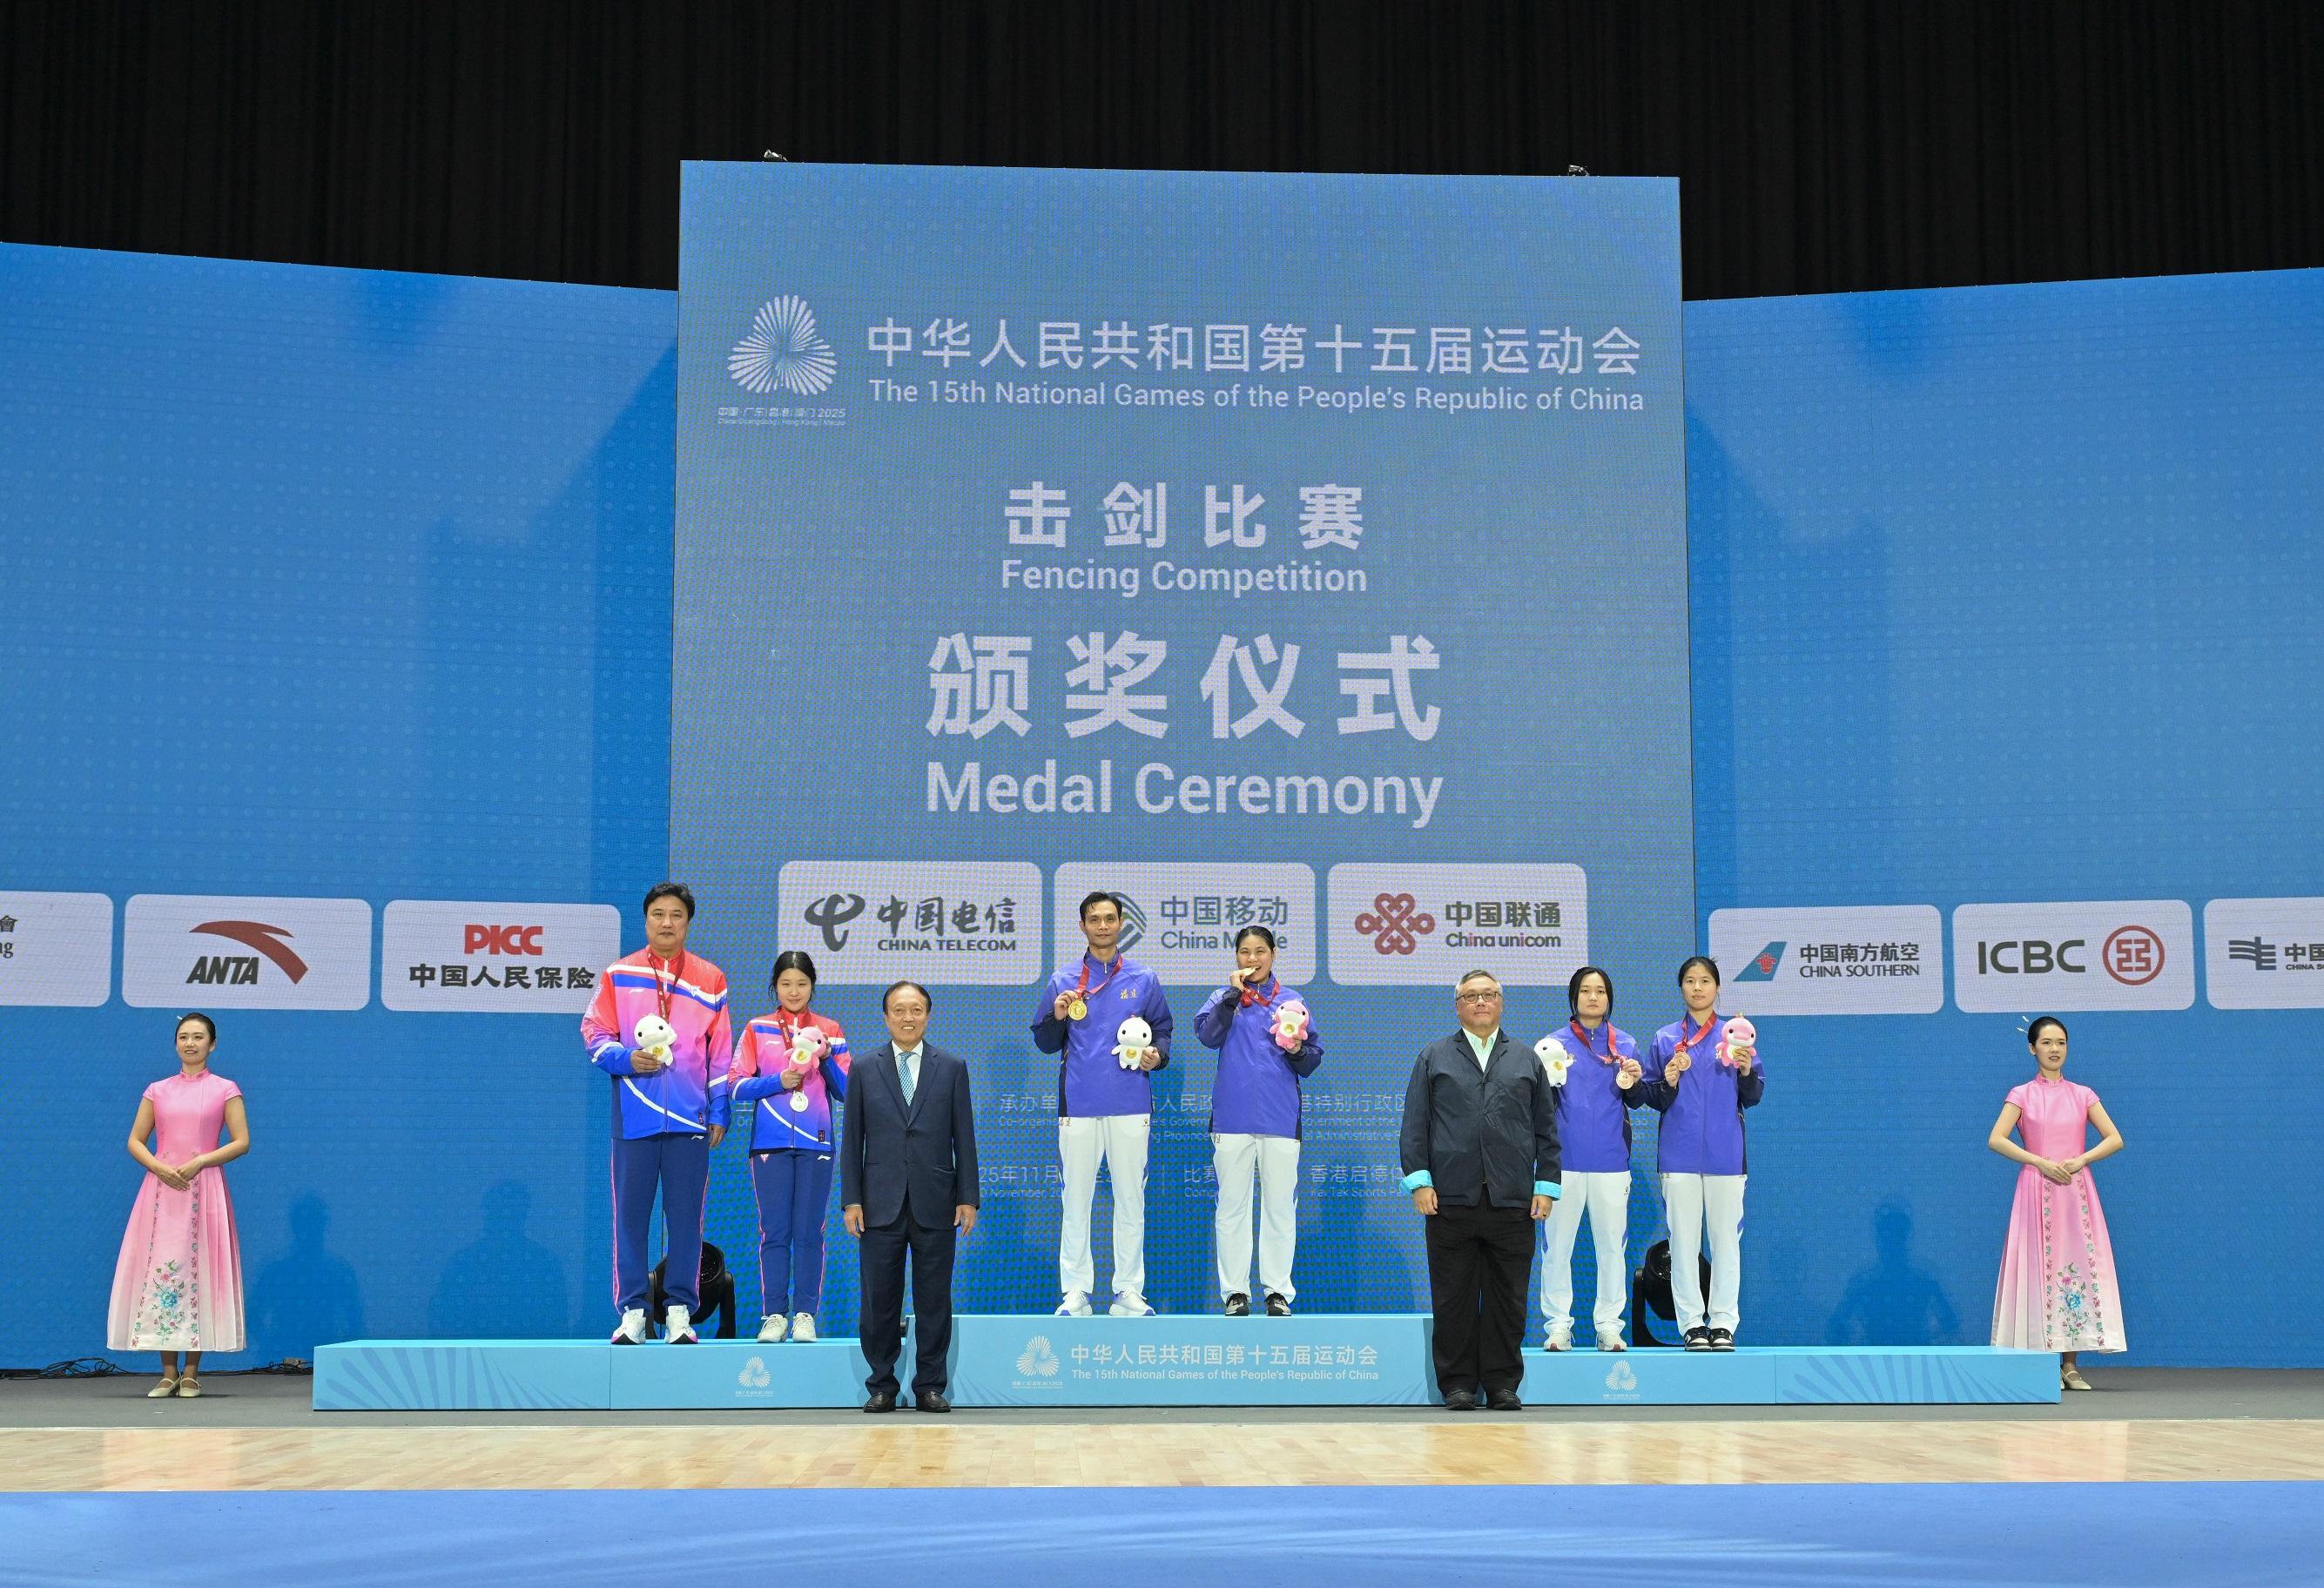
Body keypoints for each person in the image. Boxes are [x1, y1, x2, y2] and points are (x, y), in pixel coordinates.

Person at [1398, 970, 1560, 1411]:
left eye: (1489, 994)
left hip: (1513, 1199)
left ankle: (1503, 1382)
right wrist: (1419, 1181)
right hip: (1450, 1198)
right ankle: (1458, 1384)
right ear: (1458, 1006)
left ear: (1501, 1002)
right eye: (1471, 996)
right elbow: (1415, 1125)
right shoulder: (1434, 1057)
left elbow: (1547, 1130)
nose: (1481, 1002)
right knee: (1453, 1298)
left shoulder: (1526, 1059)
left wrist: (1545, 1185)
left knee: (1509, 1298)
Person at [580, 882, 731, 1345]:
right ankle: (633, 1313)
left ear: (688, 921)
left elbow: (721, 1050)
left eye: (677, 915)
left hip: (690, 1120)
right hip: (635, 1117)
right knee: (630, 1218)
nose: (667, 923)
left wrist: (719, 1109)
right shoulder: (619, 974)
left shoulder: (711, 979)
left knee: (686, 1219)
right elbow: (593, 1031)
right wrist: (626, 1059)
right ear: (646, 920)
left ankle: (681, 1311)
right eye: (658, 914)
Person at [1030, 891, 1173, 1317]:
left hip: (1131, 1102)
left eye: (1110, 918)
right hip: (1078, 1104)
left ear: (1121, 922)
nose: (1104, 926)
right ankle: (1076, 1291)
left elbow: (1163, 1030)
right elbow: (1043, 1041)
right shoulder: (1063, 980)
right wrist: (1055, 1017)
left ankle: (1128, 1291)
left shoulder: (1144, 978)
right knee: (1076, 1201)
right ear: (1083, 926)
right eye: (1095, 919)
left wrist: (1157, 1056)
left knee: (1131, 1200)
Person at [843, 980, 980, 1413]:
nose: (907, 1017)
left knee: (934, 1299)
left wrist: (968, 1197)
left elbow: (965, 1138)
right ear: (886, 1017)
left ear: (928, 1015)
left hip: (936, 1200)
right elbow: (852, 1141)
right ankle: (881, 1384)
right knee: (879, 1300)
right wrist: (852, 1200)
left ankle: (929, 1386)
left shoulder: (952, 1066)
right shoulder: (864, 1069)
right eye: (899, 1010)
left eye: (916, 1010)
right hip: (878, 1203)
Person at [108, 1013, 250, 1398]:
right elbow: (136, 1140)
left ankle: (192, 1372)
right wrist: (158, 1166)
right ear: (175, 1043)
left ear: (212, 1044)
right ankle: (167, 1371)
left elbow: (241, 1141)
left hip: (204, 1189)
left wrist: (202, 1160)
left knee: (199, 1271)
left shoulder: (225, 1089)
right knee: (162, 1272)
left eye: (199, 1037)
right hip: (161, 1193)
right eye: (184, 1037)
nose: (190, 1043)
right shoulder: (157, 1090)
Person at [1986, 1016, 2125, 1390]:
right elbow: (1996, 1139)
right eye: (2046, 1043)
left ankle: (2070, 1365)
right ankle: (2039, 1362)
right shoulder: (2021, 1094)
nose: (2054, 1049)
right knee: (2038, 1267)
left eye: (2061, 1042)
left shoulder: (2083, 1094)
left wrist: (2081, 1160)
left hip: (2075, 1194)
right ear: (2032, 1048)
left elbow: (2114, 1138)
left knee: (2074, 1269)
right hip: (2036, 1189)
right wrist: (2038, 1161)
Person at [1194, 925, 1324, 1316]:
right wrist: (1232, 998)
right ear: (1236, 957)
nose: (1253, 959)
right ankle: (1235, 1292)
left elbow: (1312, 1059)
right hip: (1231, 1118)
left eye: (1260, 951)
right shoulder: (1223, 998)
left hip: (1281, 1118)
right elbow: (1207, 1036)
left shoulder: (1292, 1001)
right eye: (1245, 952)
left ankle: (1277, 1291)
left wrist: (1299, 1048)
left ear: (1273, 954)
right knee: (1231, 1207)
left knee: (1280, 1208)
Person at [1640, 955, 1764, 1350]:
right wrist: (1669, 1081)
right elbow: (1649, 1095)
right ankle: (1692, 1323)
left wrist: (1745, 1070)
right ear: (1681, 988)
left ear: (1717, 987)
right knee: (1683, 1243)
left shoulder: (1737, 1034)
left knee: (1726, 1241)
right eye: (1690, 981)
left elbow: (1755, 1094)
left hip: (1726, 1156)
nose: (1697, 988)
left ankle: (1724, 1322)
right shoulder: (1664, 1039)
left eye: (1705, 980)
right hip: (1678, 1156)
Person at [731, 949, 852, 1343]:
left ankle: (805, 1314)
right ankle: (774, 1315)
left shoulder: (830, 1030)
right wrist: (775, 1082)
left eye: (802, 984)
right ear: (775, 986)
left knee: (810, 1231)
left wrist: (827, 1056)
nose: (794, 991)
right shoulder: (757, 1028)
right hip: (770, 1143)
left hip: (817, 1141)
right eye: (786, 984)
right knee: (775, 1231)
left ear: (812, 986)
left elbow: (847, 1091)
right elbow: (735, 1084)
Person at [1537, 965, 1650, 1351]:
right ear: (1574, 997)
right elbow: (1540, 1107)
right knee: (1557, 1249)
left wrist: (1635, 1080)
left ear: (1609, 998)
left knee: (1611, 1251)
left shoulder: (1627, 1046)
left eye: (1600, 990)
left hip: (1610, 1162)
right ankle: (1557, 1327)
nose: (1593, 997)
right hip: (1561, 1164)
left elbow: (1637, 1099)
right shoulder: (1551, 1045)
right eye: (1585, 990)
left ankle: (1609, 1327)